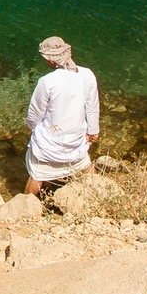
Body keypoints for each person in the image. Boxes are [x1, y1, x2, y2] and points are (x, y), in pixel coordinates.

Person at [23, 36, 100, 198]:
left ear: (50, 60)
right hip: (76, 142)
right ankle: (100, 195)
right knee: (86, 166)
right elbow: (92, 107)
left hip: (49, 146)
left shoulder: (46, 81)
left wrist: (32, 128)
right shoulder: (87, 75)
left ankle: (26, 208)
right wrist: (92, 132)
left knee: (38, 175)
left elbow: (35, 114)